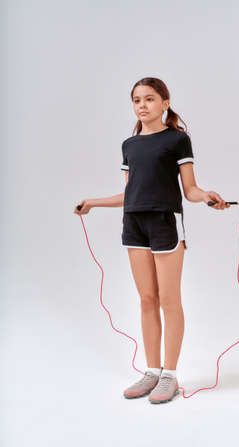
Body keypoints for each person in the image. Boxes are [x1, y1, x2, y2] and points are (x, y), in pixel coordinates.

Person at [74, 77, 230, 404]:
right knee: (147, 298)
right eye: (136, 100)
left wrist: (206, 197)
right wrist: (92, 202)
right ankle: (152, 371)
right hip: (134, 224)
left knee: (169, 300)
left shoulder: (177, 140)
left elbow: (190, 189)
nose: (142, 105)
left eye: (149, 99)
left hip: (165, 223)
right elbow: (129, 193)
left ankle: (170, 376)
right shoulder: (129, 146)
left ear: (164, 103)